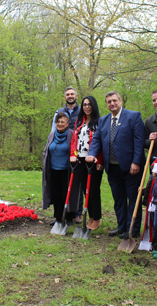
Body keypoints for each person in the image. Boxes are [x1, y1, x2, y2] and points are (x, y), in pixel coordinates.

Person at [86, 91, 145, 239]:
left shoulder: (133, 116)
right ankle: (121, 226)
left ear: (120, 101)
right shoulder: (103, 121)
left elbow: (139, 142)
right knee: (118, 199)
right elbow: (97, 140)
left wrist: (136, 162)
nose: (112, 104)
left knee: (132, 199)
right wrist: (92, 153)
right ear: (106, 104)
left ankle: (133, 228)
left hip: (131, 167)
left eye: (114, 100)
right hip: (112, 167)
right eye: (108, 102)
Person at [70, 96, 104, 230]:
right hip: (80, 160)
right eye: (84, 104)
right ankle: (90, 217)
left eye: (89, 104)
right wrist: (73, 155)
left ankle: (96, 218)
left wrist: (100, 160)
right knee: (86, 190)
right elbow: (74, 141)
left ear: (93, 106)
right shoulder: (79, 122)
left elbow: (102, 143)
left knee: (94, 190)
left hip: (94, 161)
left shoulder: (99, 123)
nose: (87, 107)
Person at [42, 113, 75, 224]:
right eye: (58, 122)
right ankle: (58, 217)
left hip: (67, 170)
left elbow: (75, 151)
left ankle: (69, 218)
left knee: (68, 194)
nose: (60, 124)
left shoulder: (72, 134)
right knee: (56, 194)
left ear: (67, 123)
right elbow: (47, 149)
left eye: (62, 122)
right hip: (53, 170)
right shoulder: (52, 135)